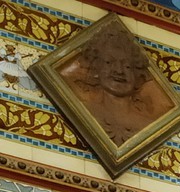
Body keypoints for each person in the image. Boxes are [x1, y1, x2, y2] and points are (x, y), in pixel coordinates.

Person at [59, 16, 169, 146]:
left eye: (127, 66)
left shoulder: (150, 126)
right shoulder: (84, 111)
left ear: (137, 74)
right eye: (109, 62)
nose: (119, 71)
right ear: (96, 68)